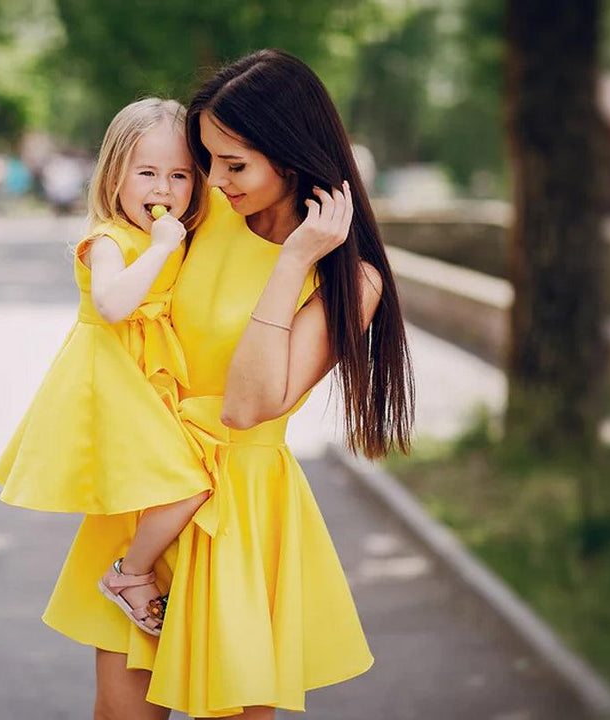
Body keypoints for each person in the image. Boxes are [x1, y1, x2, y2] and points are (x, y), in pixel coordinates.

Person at [43, 49, 415, 719]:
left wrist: (294, 258)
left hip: (240, 513)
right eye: (207, 161)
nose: (212, 181)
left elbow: (247, 408)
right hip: (152, 492)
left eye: (234, 164)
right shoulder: (202, 211)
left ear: (292, 156)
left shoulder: (348, 282)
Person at [0, 98, 215, 635]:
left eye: (179, 175)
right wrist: (161, 249)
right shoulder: (109, 240)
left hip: (145, 380)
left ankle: (142, 570)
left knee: (169, 483)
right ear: (115, 175)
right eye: (147, 173)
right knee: (189, 485)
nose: (163, 190)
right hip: (113, 380)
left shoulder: (179, 236)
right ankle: (129, 574)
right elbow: (114, 305)